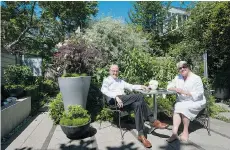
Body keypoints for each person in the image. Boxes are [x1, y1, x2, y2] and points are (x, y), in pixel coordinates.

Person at [101, 64, 168, 148]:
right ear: (109, 71)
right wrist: (116, 96)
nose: (115, 72)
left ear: (118, 71)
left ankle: (141, 135)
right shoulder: (107, 80)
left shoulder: (120, 81)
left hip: (123, 102)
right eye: (113, 71)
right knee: (139, 96)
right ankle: (152, 120)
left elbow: (131, 86)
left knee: (138, 104)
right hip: (114, 102)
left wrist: (141, 86)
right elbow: (103, 90)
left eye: (116, 71)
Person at [167, 61, 206, 142]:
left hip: (196, 101)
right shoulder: (178, 77)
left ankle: (185, 132)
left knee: (184, 108)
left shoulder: (196, 78)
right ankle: (174, 133)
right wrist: (175, 89)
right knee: (178, 106)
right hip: (183, 101)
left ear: (188, 67)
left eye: (184, 67)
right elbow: (169, 86)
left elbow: (199, 93)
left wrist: (185, 92)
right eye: (180, 68)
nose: (182, 69)